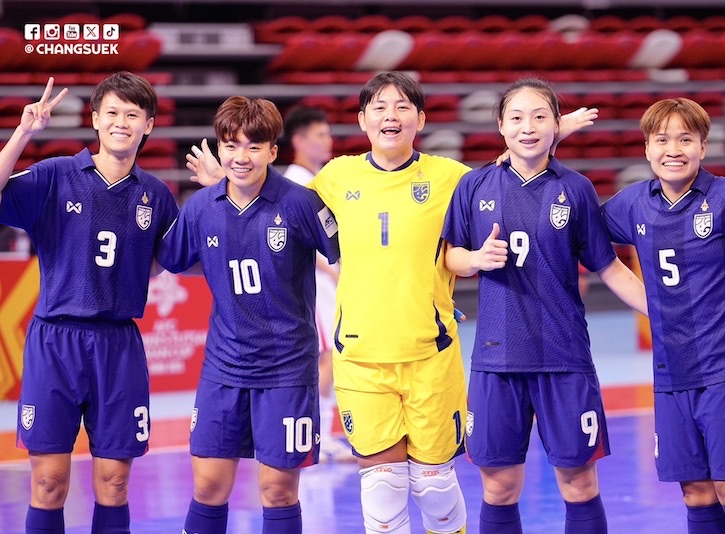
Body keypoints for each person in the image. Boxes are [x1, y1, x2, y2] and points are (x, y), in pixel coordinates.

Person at [187, 71, 597, 534]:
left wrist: (552, 130)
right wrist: (222, 180)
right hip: (362, 358)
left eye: (402, 106)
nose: (390, 116)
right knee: (381, 496)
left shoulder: (450, 177)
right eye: (379, 107)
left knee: (434, 488)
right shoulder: (336, 177)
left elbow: (508, 169)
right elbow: (271, 199)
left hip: (431, 354)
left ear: (420, 118)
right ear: (362, 120)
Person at [441, 77, 648, 534]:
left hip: (564, 356)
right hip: (497, 358)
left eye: (539, 116)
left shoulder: (576, 189)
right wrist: (475, 259)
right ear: (499, 125)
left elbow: (608, 266)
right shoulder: (473, 185)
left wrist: (661, 309)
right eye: (516, 117)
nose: (527, 127)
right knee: (498, 487)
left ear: (557, 124)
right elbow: (451, 255)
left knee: (578, 482)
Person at [602, 97, 725, 533]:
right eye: (662, 139)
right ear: (647, 148)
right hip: (672, 369)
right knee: (696, 491)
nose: (674, 149)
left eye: (685, 139)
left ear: (703, 147)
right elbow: (576, 236)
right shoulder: (631, 203)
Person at [0, 73, 179, 533]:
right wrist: (23, 133)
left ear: (149, 126)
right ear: (95, 119)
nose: (122, 122)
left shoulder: (156, 195)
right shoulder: (55, 175)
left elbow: (170, 259)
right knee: (49, 482)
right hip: (55, 341)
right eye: (113, 113)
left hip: (118, 345)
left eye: (133, 115)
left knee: (115, 481)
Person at [158, 96, 339, 534]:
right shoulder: (203, 207)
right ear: (220, 149)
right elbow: (169, 256)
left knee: (278, 492)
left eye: (254, 147)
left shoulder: (301, 203)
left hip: (286, 372)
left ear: (273, 152)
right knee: (208, 488)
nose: (242, 157)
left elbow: (352, 256)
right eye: (231, 145)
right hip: (223, 370)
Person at [281, 105, 353, 462]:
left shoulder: (321, 177)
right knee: (324, 357)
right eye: (320, 135)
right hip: (312, 283)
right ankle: (318, 436)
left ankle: (322, 435)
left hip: (326, 280)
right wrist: (335, 271)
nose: (328, 141)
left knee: (330, 357)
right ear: (299, 140)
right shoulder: (295, 182)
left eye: (328, 134)